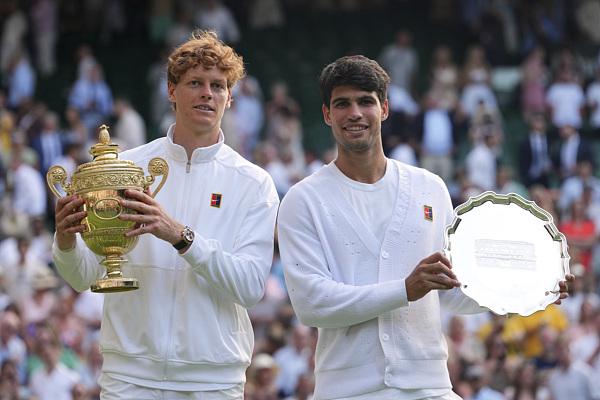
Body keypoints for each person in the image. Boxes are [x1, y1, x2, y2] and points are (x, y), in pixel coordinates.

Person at [277, 55, 572, 400]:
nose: (355, 113)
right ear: (327, 114)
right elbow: (311, 304)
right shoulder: (302, 200)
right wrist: (405, 289)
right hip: (346, 391)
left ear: (384, 109)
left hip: (430, 385)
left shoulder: (429, 187)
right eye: (343, 104)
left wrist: (525, 287)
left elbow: (453, 290)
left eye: (365, 101)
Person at [52, 30, 279, 399]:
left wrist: (180, 236)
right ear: (172, 90)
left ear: (230, 98)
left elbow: (251, 287)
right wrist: (65, 241)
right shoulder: (125, 169)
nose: (207, 93)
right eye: (195, 82)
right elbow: (84, 277)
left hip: (213, 382)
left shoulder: (254, 183)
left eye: (218, 86)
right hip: (128, 379)